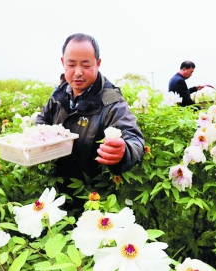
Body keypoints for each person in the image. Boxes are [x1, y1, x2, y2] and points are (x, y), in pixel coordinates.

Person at [35, 33, 145, 183]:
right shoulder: (59, 94)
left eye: (86, 65)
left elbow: (135, 139)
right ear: (63, 62)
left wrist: (124, 152)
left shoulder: (111, 101)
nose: (78, 72)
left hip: (91, 194)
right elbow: (42, 120)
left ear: (98, 63)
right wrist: (39, 136)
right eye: (71, 64)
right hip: (55, 187)